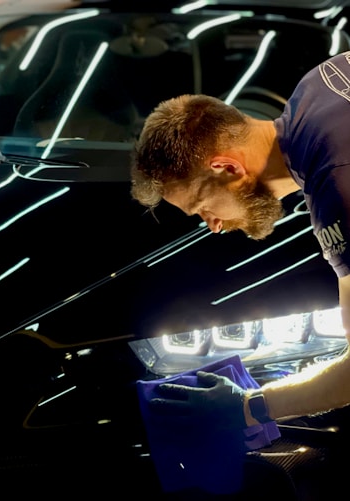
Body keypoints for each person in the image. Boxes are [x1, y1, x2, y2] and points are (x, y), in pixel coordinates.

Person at [130, 50, 350, 430]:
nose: (213, 225)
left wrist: (249, 407)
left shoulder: (337, 184)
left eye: (202, 207)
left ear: (228, 167)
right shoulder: (318, 83)